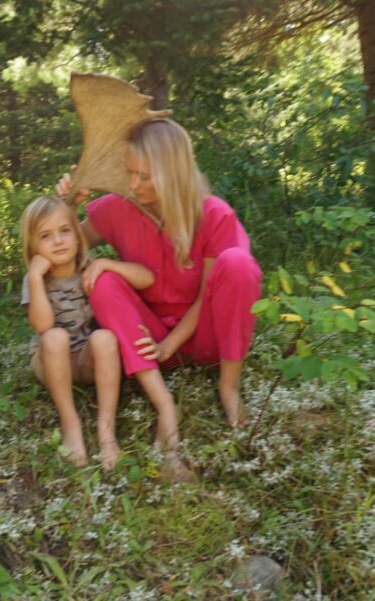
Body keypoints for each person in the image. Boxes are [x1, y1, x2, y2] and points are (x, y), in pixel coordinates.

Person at [57, 118, 263, 456]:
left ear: (172, 174)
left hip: (204, 339)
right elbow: (65, 249)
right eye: (130, 172)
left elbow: (204, 296)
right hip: (146, 342)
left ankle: (229, 387)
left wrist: (172, 344)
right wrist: (69, 204)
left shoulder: (213, 214)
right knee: (103, 278)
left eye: (145, 177)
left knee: (238, 264)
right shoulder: (118, 207)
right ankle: (162, 401)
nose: (133, 184)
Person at [20, 196, 155, 471]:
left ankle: (106, 431)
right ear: (32, 246)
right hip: (50, 362)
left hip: (85, 360)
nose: (58, 241)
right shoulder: (35, 278)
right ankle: (71, 425)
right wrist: (35, 279)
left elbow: (147, 278)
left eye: (65, 231)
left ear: (78, 236)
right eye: (46, 236)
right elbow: (43, 326)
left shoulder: (90, 267)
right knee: (54, 337)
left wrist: (108, 264)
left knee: (104, 338)